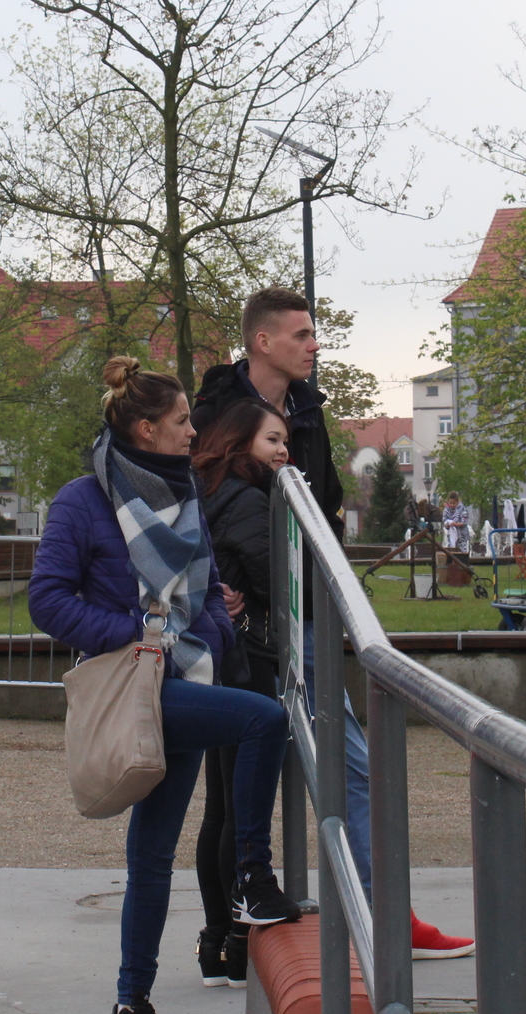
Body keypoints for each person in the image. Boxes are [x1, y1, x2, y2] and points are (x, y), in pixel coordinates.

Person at [191, 287, 472, 959]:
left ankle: (374, 914)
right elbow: (193, 501)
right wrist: (212, 590)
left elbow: (322, 509)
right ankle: (227, 937)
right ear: (264, 342)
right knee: (235, 792)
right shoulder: (214, 413)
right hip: (244, 627)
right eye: (302, 334)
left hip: (299, 614)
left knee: (341, 767)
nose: (315, 344)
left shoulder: (309, 414)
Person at [30, 358, 297, 1014]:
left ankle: (130, 1003)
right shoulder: (82, 501)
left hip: (185, 682)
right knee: (264, 719)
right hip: (133, 686)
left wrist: (201, 638)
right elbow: (47, 600)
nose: (193, 431)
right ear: (146, 428)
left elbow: (207, 593)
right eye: (182, 422)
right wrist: (135, 637)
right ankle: (250, 879)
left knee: (152, 856)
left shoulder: (186, 498)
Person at [189, 398, 289, 991]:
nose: (282, 452)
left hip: (215, 657)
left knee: (219, 805)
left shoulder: (208, 490)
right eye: (272, 440)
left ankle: (215, 942)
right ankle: (234, 936)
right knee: (237, 805)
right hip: (244, 661)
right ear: (240, 441)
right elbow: (269, 574)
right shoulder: (250, 498)